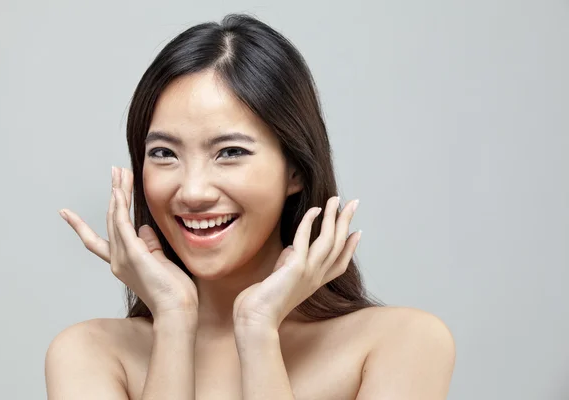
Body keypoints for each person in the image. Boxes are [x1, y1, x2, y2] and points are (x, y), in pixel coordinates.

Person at [45, 13, 455, 399]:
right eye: (164, 153)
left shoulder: (401, 343)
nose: (193, 191)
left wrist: (258, 329)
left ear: (295, 169)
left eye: (230, 152)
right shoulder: (91, 353)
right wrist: (172, 318)